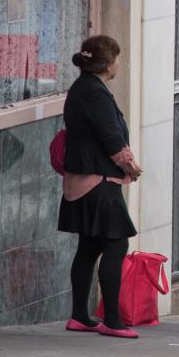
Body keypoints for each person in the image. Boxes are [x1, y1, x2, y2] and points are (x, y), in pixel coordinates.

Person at [58, 35, 144, 339]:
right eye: (117, 59)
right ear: (107, 64)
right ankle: (112, 321)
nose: (118, 64)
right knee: (116, 244)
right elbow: (111, 138)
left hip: (82, 180)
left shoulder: (84, 88)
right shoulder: (93, 93)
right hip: (98, 182)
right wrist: (131, 166)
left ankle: (79, 316)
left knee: (90, 245)